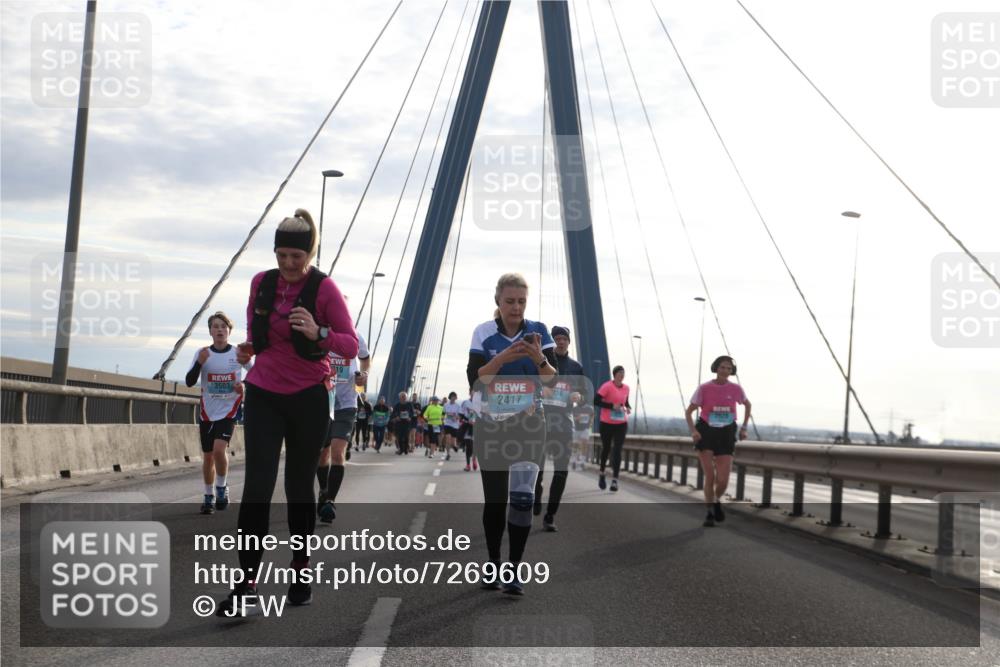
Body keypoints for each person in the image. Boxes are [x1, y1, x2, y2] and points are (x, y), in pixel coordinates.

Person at [215, 209, 358, 617]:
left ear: (309, 254)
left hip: (309, 396)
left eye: (296, 256)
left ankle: (299, 570)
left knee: (299, 488)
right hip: (263, 393)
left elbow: (349, 344)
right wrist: (247, 350)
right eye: (282, 256)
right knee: (257, 489)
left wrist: (319, 332)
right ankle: (245, 584)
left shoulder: (324, 288)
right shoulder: (261, 283)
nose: (289, 264)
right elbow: (256, 340)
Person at [467, 272, 557, 595]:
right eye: (509, 302)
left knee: (521, 500)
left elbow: (551, 381)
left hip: (530, 424)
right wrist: (506, 355)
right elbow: (476, 380)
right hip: (491, 427)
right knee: (495, 502)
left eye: (521, 302)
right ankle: (492, 564)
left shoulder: (539, 332)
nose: (516, 308)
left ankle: (514, 571)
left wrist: (539, 358)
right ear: (498, 302)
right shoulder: (483, 334)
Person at [185, 311, 246, 515]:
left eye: (223, 326)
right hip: (207, 412)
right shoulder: (202, 353)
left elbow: (256, 374)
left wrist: (244, 386)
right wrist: (200, 363)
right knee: (208, 456)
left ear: (229, 331)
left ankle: (221, 488)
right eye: (215, 326)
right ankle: (208, 495)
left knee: (220, 450)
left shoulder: (238, 353)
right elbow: (189, 381)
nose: (219, 330)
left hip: (229, 410)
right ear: (210, 331)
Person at [685, 355, 752, 527]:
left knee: (723, 480)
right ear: (716, 368)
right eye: (722, 367)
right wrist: (693, 431)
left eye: (729, 368)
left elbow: (747, 405)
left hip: (726, 433)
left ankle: (715, 500)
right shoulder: (704, 388)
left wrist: (744, 428)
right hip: (706, 432)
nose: (725, 371)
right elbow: (689, 412)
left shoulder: (736, 388)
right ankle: (709, 513)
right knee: (710, 476)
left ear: (732, 371)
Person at [536, 325, 587, 532]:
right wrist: (541, 389)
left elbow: (584, 396)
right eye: (556, 338)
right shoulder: (542, 363)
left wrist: (578, 397)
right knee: (535, 468)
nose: (560, 341)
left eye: (564, 338)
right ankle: (536, 491)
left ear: (569, 342)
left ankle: (550, 515)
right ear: (552, 341)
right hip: (541, 421)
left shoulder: (576, 367)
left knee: (561, 470)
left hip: (564, 423)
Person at [317, 330, 370, 524]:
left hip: (347, 405)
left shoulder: (356, 336)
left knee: (338, 452)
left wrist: (364, 375)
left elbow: (365, 359)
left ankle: (330, 501)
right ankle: (324, 490)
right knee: (323, 455)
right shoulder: (319, 333)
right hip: (322, 402)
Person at [595, 365, 631, 492]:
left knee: (617, 450)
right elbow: (596, 401)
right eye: (620, 373)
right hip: (606, 423)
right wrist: (611, 406)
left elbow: (625, 402)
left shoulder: (626, 388)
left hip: (621, 423)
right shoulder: (607, 386)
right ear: (614, 374)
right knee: (606, 448)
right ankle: (602, 473)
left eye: (623, 373)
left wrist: (628, 407)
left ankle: (615, 480)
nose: (622, 375)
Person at [459, 389, 479, 471]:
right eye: (472, 393)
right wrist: (464, 420)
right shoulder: (465, 403)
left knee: (474, 446)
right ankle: (468, 465)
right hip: (467, 426)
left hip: (476, 427)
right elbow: (461, 414)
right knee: (468, 446)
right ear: (469, 393)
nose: (473, 395)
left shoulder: (479, 404)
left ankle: (474, 459)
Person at [391, 391, 412, 455]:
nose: (403, 398)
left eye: (404, 397)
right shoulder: (397, 405)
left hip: (407, 423)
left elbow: (412, 412)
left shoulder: (409, 404)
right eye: (402, 397)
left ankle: (406, 449)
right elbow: (393, 413)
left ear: (406, 397)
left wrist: (410, 417)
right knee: (399, 437)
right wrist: (396, 417)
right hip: (399, 423)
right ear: (399, 398)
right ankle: (401, 449)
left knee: (406, 437)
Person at [442, 391, 463, 456]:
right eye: (452, 397)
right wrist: (442, 419)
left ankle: (454, 446)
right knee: (448, 439)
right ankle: (448, 454)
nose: (453, 398)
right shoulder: (446, 405)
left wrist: (456, 417)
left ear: (456, 398)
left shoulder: (458, 406)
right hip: (447, 424)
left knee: (453, 442)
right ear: (450, 397)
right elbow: (443, 414)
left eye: (454, 397)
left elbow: (460, 415)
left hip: (455, 425)